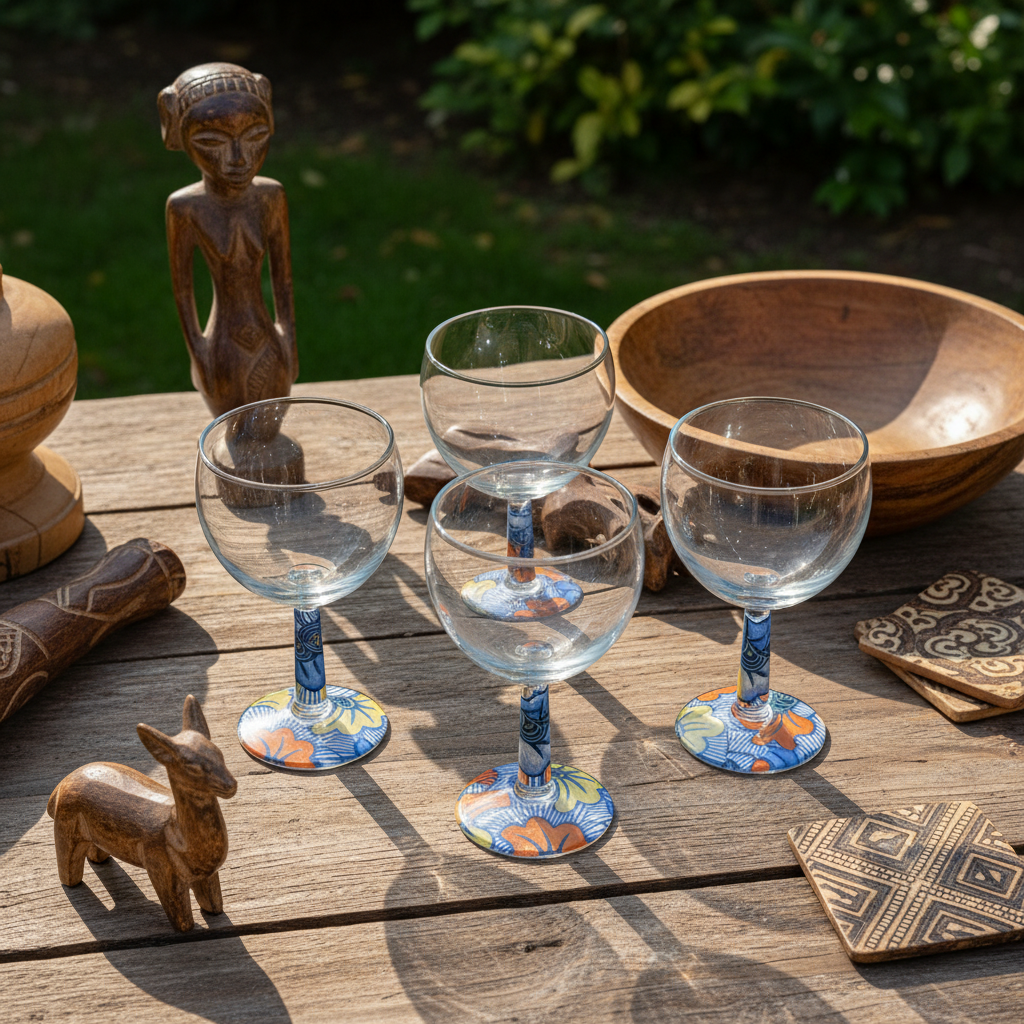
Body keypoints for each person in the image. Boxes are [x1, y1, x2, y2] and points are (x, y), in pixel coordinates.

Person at [158, 63, 298, 419]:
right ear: (177, 133)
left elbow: (283, 280)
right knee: (235, 425)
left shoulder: (271, 197)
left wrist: (290, 343)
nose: (239, 158)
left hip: (269, 345)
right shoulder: (185, 208)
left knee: (269, 419)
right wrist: (198, 355)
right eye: (212, 141)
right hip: (221, 352)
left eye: (256, 136)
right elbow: (183, 291)